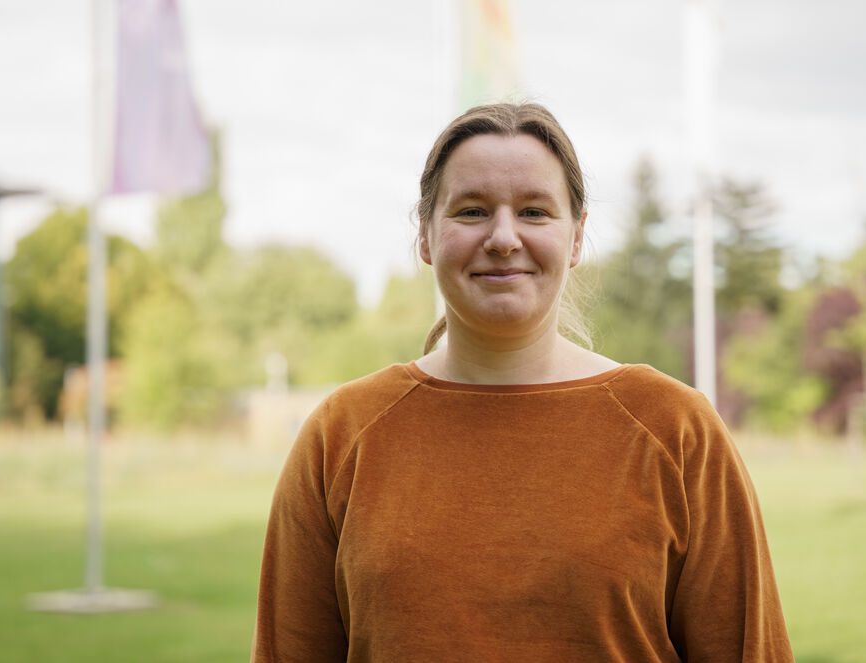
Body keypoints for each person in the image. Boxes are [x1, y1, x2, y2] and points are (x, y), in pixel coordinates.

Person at [250, 102, 793, 662]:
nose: (504, 237)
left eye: (534, 212)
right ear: (427, 238)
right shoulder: (340, 436)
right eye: (471, 211)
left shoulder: (675, 430)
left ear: (576, 237)